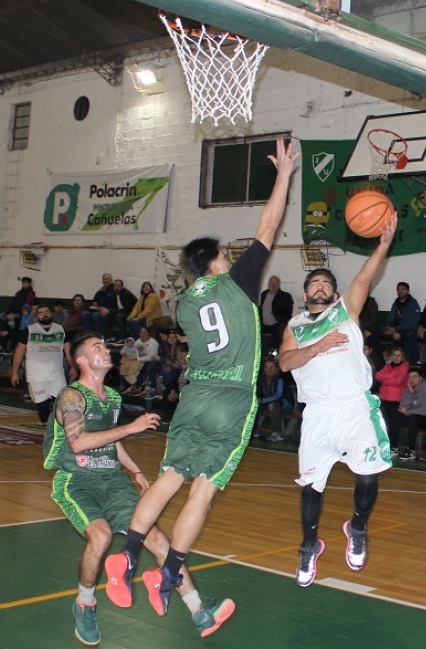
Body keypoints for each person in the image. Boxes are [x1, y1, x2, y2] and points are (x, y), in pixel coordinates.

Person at [103, 139, 298, 616]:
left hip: (194, 396)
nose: (231, 258)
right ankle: (168, 573)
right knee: (204, 489)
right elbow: (269, 225)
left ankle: (127, 555)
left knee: (169, 478)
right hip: (231, 399)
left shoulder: (185, 302)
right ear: (214, 261)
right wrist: (285, 175)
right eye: (224, 255)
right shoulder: (237, 283)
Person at [44, 333, 233, 645]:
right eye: (97, 347)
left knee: (157, 538)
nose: (106, 350)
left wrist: (135, 471)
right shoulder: (71, 396)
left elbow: (110, 439)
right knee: (101, 535)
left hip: (113, 482)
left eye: (105, 345)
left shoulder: (113, 398)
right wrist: (132, 427)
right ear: (80, 360)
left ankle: (200, 611)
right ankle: (85, 604)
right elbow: (79, 441)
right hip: (76, 481)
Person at [279, 211, 398, 587]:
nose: (319, 287)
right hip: (317, 413)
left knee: (368, 474)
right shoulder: (295, 327)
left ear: (333, 293)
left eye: (325, 283)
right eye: (313, 282)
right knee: (312, 486)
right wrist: (317, 346)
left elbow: (365, 276)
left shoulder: (345, 311)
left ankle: (357, 527)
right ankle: (309, 545)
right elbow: (284, 363)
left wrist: (383, 244)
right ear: (304, 293)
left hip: (354, 407)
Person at [11, 305, 71, 423]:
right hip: (36, 375)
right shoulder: (29, 330)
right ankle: (48, 429)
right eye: (41, 312)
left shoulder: (61, 329)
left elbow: (68, 349)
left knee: (63, 402)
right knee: (42, 404)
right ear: (37, 316)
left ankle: (59, 428)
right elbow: (19, 351)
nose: (45, 314)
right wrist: (14, 372)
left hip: (56, 373)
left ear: (52, 314)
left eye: (47, 311)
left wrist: (73, 366)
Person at [394, 366, 426, 461]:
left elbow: (425, 410)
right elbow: (403, 408)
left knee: (413, 418)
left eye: (414, 377)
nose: (411, 380)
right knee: (396, 417)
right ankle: (393, 448)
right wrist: (410, 393)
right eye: (409, 377)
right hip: (411, 416)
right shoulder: (407, 390)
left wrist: (408, 412)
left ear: (420, 378)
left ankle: (411, 450)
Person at [374, 347, 409, 455]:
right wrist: (392, 375)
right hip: (385, 398)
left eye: (399, 355)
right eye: (394, 355)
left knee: (394, 424)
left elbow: (399, 380)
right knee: (380, 422)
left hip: (396, 399)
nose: (396, 357)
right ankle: (381, 445)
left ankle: (394, 447)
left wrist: (386, 379)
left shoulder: (405, 366)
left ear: (402, 357)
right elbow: (377, 376)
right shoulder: (388, 366)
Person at [255, 358, 293, 442]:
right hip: (267, 403)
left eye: (272, 367)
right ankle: (254, 429)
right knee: (253, 405)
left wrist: (262, 400)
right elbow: (258, 393)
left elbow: (278, 395)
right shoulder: (261, 379)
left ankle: (277, 432)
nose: (269, 370)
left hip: (283, 404)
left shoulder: (280, 379)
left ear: (276, 368)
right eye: (266, 367)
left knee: (273, 405)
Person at [382, 282, 421, 363]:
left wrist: (396, 329)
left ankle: (412, 362)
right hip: (395, 328)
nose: (400, 291)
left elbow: (412, 324)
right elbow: (390, 320)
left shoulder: (413, 304)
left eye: (403, 289)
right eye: (398, 289)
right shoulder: (396, 304)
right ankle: (385, 357)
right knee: (372, 333)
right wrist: (388, 328)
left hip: (406, 329)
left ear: (408, 291)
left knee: (406, 336)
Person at [260, 275, 294, 354]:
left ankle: (274, 352)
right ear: (268, 284)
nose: (273, 285)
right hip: (264, 324)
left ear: (279, 285)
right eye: (272, 283)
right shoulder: (264, 294)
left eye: (275, 284)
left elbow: (288, 313)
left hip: (277, 324)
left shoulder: (285, 296)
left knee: (277, 330)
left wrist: (279, 319)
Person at [83, 273, 117, 337]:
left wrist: (103, 308)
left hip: (109, 312)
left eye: (108, 279)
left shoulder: (114, 290)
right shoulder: (101, 290)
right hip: (98, 310)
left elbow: (113, 304)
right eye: (104, 279)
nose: (106, 281)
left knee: (96, 315)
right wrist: (94, 304)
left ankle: (100, 335)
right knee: (85, 314)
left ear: (111, 280)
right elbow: (95, 301)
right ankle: (89, 335)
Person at [132, 327, 162, 396]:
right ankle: (136, 386)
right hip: (142, 361)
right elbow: (137, 355)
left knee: (150, 365)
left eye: (145, 332)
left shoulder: (153, 342)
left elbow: (151, 357)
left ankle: (151, 387)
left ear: (148, 333)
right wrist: (138, 359)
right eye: (141, 332)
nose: (143, 334)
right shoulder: (138, 342)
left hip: (153, 362)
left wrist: (139, 359)